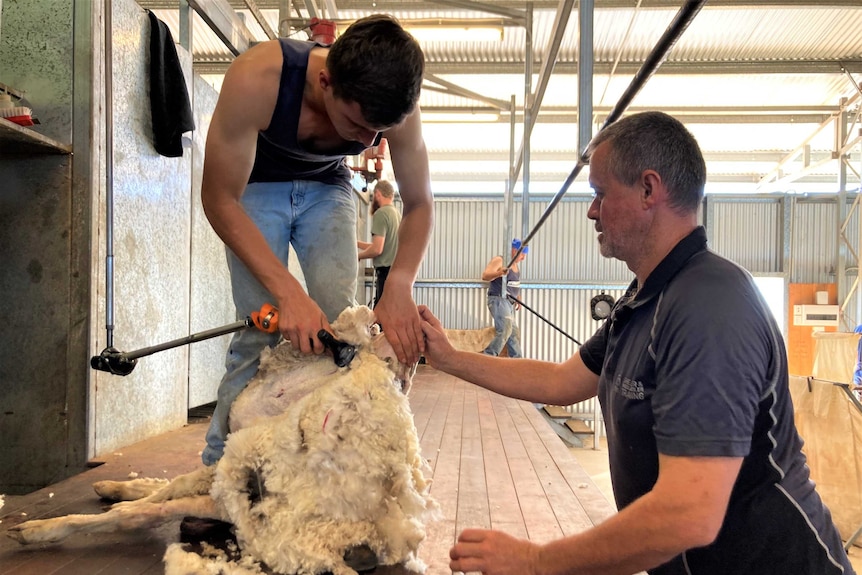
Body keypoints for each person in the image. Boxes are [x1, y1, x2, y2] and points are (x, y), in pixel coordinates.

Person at [418, 111, 855, 575]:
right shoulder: (646, 296)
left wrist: (537, 561)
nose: (591, 210)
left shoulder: (708, 307)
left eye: (600, 193)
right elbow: (564, 380)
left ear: (649, 190)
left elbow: (689, 513)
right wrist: (448, 358)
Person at [199, 15, 433, 467]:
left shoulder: (396, 110)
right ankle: (219, 467)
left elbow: (421, 203)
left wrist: (399, 285)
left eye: (379, 132)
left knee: (339, 329)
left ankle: (319, 460)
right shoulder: (258, 78)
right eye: (358, 124)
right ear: (326, 81)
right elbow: (218, 198)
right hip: (255, 187)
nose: (368, 142)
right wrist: (287, 293)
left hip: (328, 188)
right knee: (260, 329)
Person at [357, 180, 401, 308]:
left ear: (377, 194)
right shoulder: (395, 214)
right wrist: (357, 243)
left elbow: (377, 249)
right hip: (394, 272)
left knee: (381, 315)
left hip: (385, 273)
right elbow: (383, 245)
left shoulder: (381, 214)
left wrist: (358, 256)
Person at [481, 239, 528, 358]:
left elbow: (512, 284)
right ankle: (488, 357)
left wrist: (517, 296)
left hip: (509, 302)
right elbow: (485, 275)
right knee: (505, 330)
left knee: (514, 333)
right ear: (514, 250)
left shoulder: (515, 266)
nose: (523, 258)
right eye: (522, 254)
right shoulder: (500, 260)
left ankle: (517, 362)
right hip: (498, 300)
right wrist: (498, 273)